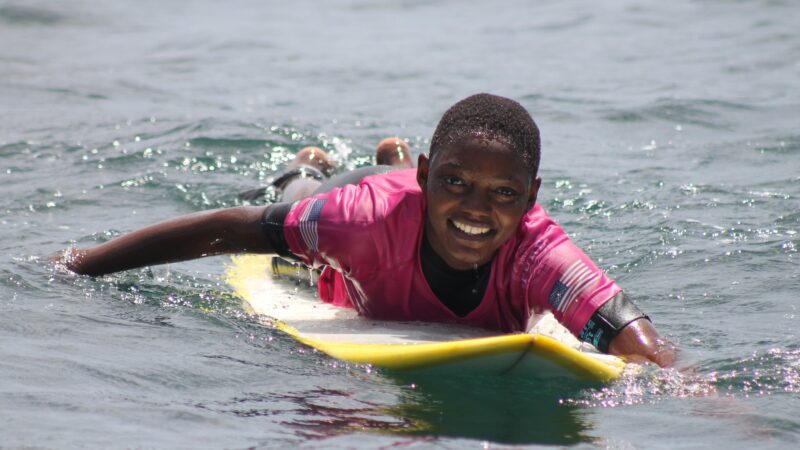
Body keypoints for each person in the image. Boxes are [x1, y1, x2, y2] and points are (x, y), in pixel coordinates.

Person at [57, 93, 677, 367]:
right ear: (433, 175)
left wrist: (709, 402)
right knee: (300, 202)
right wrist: (84, 263)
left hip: (411, 194)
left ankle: (397, 159)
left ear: (532, 198)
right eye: (456, 180)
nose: (481, 210)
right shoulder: (354, 223)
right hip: (362, 210)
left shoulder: (542, 255)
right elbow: (229, 229)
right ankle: (311, 164)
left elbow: (636, 336)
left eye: (506, 194)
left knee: (446, 208)